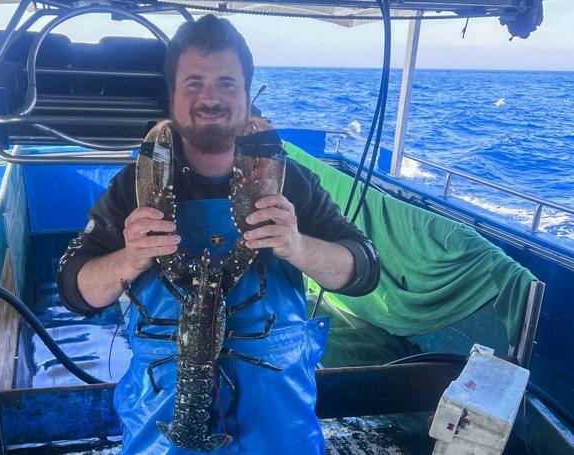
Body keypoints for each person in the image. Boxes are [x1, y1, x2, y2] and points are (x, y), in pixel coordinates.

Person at [57, 14, 379, 455]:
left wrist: (299, 247)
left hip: (279, 429)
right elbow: (74, 288)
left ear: (248, 96)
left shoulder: (292, 181)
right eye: (194, 83)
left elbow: (363, 269)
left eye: (226, 83)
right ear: (171, 96)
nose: (210, 97)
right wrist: (128, 258)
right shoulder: (132, 185)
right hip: (162, 428)